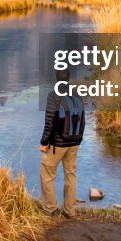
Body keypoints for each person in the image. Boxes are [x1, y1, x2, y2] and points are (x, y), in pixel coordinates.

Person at [39, 68, 85, 217]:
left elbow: (49, 121)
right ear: (69, 78)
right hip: (74, 142)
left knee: (47, 174)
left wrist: (44, 142)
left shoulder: (53, 95)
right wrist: (78, 140)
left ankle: (50, 209)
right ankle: (70, 211)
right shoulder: (77, 95)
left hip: (57, 144)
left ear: (56, 79)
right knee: (70, 174)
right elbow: (82, 120)